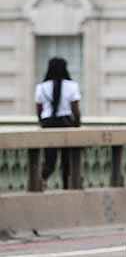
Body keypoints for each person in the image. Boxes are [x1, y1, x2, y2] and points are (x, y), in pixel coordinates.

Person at [34, 57, 82, 185]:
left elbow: (39, 109)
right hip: (66, 124)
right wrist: (77, 124)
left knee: (49, 160)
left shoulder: (41, 87)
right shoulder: (72, 86)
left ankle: (40, 182)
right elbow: (75, 109)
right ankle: (67, 185)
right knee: (67, 160)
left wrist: (42, 122)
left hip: (48, 124)